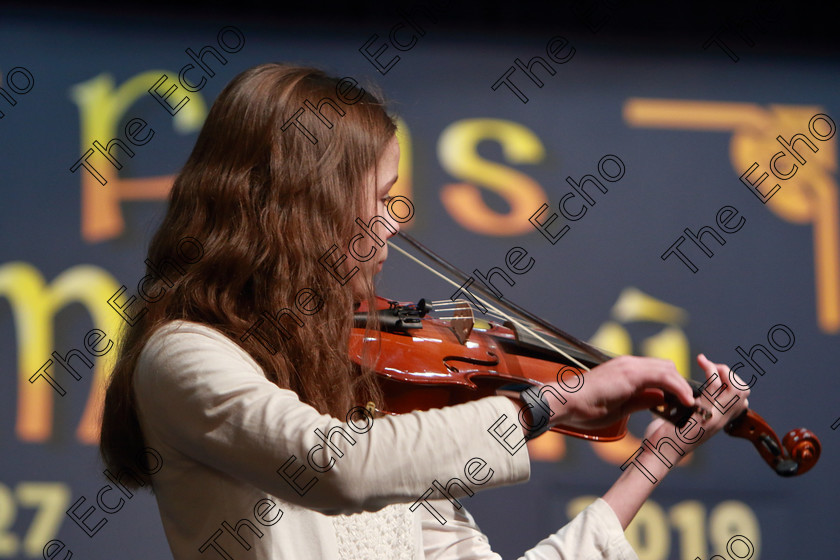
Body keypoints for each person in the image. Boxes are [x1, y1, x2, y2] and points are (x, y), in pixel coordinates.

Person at [99, 63, 750, 560]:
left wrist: (654, 461)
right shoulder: (183, 356)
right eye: (379, 199)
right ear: (305, 208)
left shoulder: (364, 384)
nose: (390, 226)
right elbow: (336, 466)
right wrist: (552, 403)